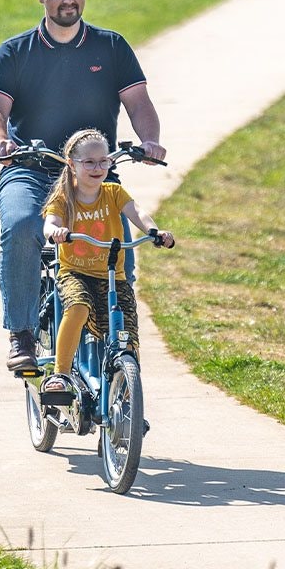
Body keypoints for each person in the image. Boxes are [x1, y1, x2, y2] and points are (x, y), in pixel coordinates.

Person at [0, 0, 167, 372]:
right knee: (22, 226)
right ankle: (23, 333)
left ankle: (119, 357)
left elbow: (139, 103)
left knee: (119, 256)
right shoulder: (15, 52)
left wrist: (150, 141)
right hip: (30, 169)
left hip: (93, 173)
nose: (68, 1)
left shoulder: (111, 47)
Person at [40, 128, 175, 393]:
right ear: (72, 164)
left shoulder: (113, 192)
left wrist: (154, 232)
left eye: (103, 161)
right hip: (75, 272)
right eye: (88, 162)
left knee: (126, 329)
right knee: (78, 307)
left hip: (112, 274)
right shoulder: (64, 198)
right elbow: (50, 222)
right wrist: (55, 232)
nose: (97, 167)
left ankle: (127, 392)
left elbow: (136, 211)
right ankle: (62, 374)